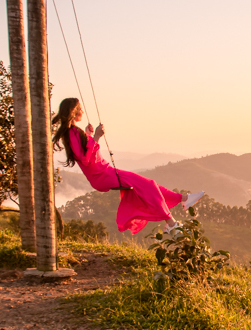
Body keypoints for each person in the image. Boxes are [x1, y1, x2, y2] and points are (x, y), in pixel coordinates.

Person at [52, 98, 204, 234]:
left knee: (151, 185)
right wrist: (96, 137)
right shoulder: (72, 132)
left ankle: (184, 199)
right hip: (102, 175)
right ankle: (171, 222)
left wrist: (89, 135)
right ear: (74, 112)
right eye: (80, 109)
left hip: (105, 172)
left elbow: (85, 152)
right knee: (149, 185)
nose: (82, 111)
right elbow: (85, 159)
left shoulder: (74, 132)